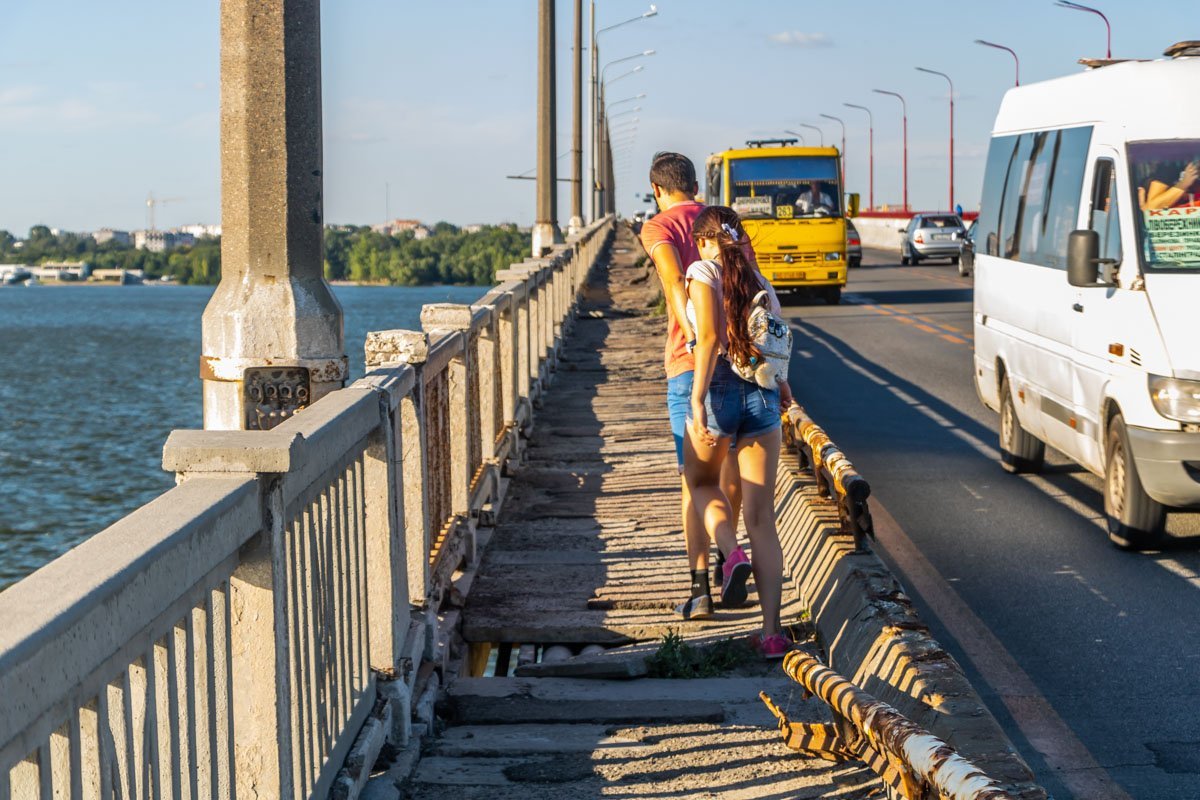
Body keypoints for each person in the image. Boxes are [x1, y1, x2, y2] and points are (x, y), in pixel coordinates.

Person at [683, 205, 790, 658]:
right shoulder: (758, 280)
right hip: (764, 394)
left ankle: (731, 554)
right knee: (762, 519)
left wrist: (697, 398)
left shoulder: (702, 272)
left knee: (701, 483)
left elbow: (709, 339)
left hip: (721, 388)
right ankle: (772, 634)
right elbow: (773, 341)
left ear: (704, 241)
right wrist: (784, 386)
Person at [639, 151, 728, 620]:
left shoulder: (658, 226)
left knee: (694, 482)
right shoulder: (722, 221)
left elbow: (674, 277)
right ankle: (728, 565)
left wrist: (692, 333)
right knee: (729, 476)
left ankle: (701, 591)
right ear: (695, 185)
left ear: (657, 190)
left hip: (688, 362)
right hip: (736, 359)